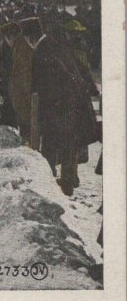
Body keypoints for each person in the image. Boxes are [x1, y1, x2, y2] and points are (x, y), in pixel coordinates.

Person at [21, 17, 99, 196]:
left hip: (60, 104)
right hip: (72, 101)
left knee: (51, 142)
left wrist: (40, 108)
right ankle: (68, 179)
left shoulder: (41, 51)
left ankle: (53, 184)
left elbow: (41, 84)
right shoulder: (54, 43)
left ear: (30, 37)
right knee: (69, 142)